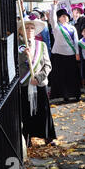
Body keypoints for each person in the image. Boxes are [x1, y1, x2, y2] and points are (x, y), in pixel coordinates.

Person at [18, 14, 56, 146]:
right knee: (26, 113)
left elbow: (48, 65)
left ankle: (47, 137)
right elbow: (15, 66)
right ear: (21, 31)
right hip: (24, 84)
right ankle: (27, 139)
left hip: (39, 84)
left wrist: (38, 78)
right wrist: (24, 56)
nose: (29, 30)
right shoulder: (17, 47)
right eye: (26, 27)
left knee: (43, 110)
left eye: (32, 28)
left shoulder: (42, 45)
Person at [49, 0, 81, 103]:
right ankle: (64, 95)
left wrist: (77, 53)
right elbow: (52, 20)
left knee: (72, 76)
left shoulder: (72, 28)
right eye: (62, 16)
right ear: (59, 18)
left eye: (66, 16)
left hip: (71, 55)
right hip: (59, 55)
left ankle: (75, 94)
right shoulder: (56, 27)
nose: (65, 17)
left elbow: (76, 41)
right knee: (61, 76)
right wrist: (54, 7)